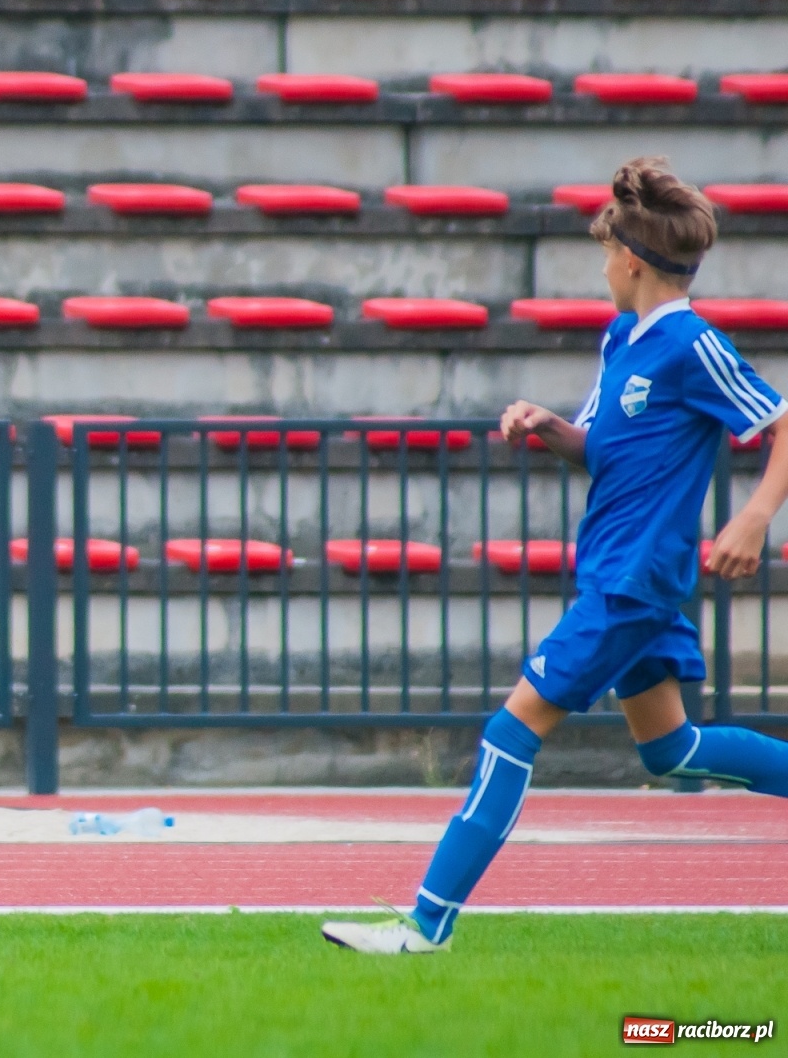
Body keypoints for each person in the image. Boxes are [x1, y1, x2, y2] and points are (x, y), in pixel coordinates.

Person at [323, 156, 788, 954]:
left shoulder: (692, 343)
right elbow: (607, 449)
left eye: (607, 254)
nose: (604, 267)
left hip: (633, 584)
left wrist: (751, 518)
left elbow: (783, 425)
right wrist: (549, 428)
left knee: (511, 732)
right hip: (620, 574)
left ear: (632, 260)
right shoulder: (622, 340)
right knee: (673, 750)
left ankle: (424, 926)